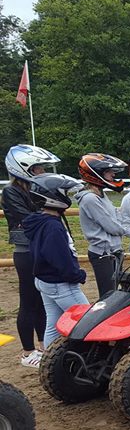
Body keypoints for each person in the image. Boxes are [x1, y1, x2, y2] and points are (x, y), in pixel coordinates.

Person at [3, 145, 57, 366]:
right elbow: (30, 218)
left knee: (42, 299)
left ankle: (42, 345)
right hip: (25, 251)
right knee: (28, 301)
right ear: (23, 168)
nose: (42, 172)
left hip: (40, 248)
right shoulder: (11, 192)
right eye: (37, 168)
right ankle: (27, 351)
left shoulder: (34, 189)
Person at [22, 174, 89, 349]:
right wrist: (77, 275)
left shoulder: (41, 221)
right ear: (53, 197)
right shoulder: (53, 226)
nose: (68, 197)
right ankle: (90, 360)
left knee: (53, 323)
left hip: (45, 280)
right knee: (88, 320)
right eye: (65, 193)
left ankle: (48, 359)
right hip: (60, 283)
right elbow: (59, 258)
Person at [76, 153, 128, 298]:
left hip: (113, 250)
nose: (113, 174)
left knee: (116, 293)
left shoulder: (101, 195)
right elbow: (112, 226)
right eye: (108, 171)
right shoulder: (90, 199)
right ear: (96, 174)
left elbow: (116, 217)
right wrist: (125, 229)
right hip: (103, 253)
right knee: (108, 295)